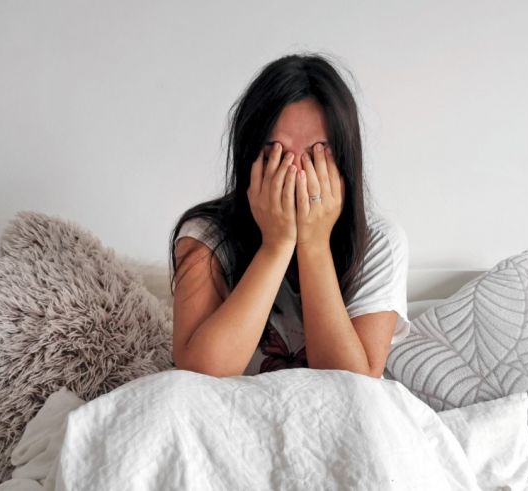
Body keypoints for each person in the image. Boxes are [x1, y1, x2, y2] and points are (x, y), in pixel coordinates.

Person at [168, 52, 410, 379]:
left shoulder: (379, 242)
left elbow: (355, 384)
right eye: (275, 154)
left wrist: (314, 244)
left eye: (316, 156)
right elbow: (198, 375)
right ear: (249, 158)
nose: (296, 174)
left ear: (343, 162)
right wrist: (277, 244)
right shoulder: (206, 237)